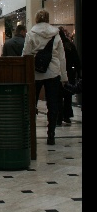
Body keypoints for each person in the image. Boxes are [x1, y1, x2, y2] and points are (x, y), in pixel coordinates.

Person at [22, 9, 68, 145]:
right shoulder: (56, 34)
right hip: (53, 72)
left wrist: (24, 73)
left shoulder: (31, 34)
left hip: (35, 73)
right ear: (48, 19)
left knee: (31, 103)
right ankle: (51, 134)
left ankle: (30, 133)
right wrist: (64, 77)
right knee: (53, 104)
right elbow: (62, 57)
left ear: (36, 19)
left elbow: (26, 55)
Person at [56, 26, 81, 126]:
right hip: (70, 73)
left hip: (58, 73)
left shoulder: (56, 46)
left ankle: (58, 117)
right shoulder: (70, 45)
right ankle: (67, 116)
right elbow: (77, 60)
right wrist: (78, 73)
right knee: (68, 96)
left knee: (58, 96)